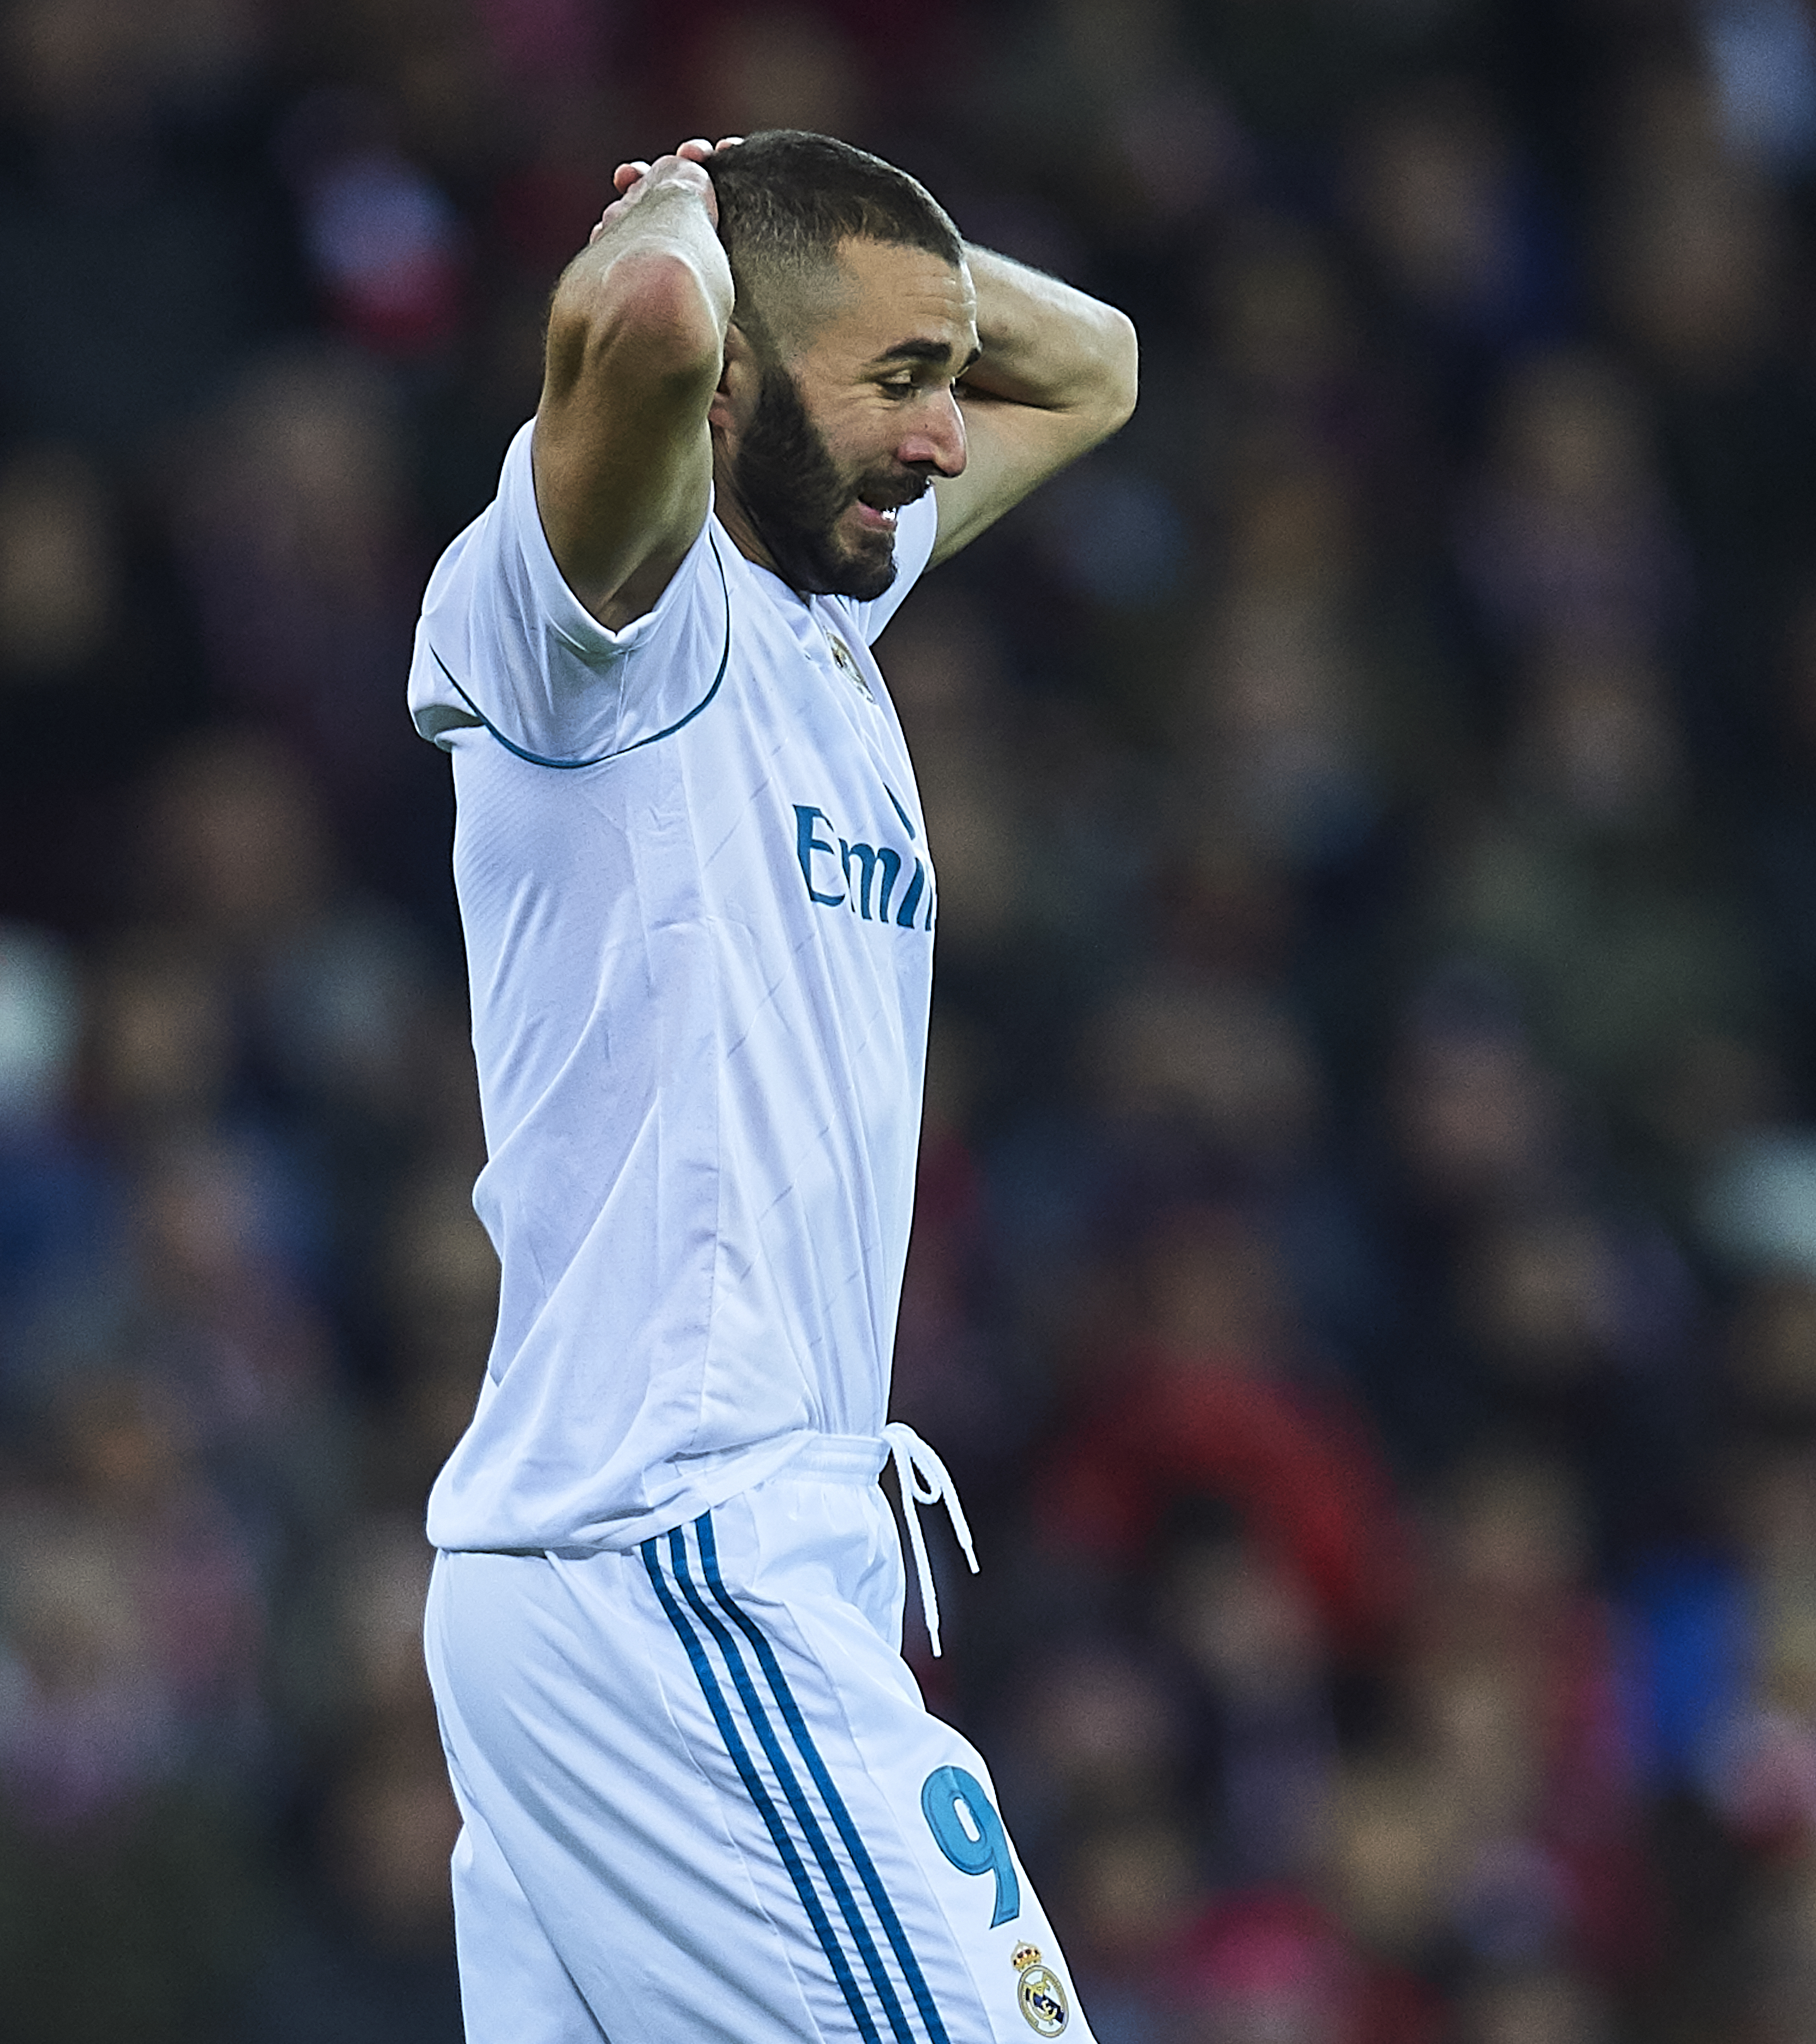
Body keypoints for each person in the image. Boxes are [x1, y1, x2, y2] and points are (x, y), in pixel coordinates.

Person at [404, 129, 1136, 2042]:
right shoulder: (592, 631)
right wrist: (682, 207)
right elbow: (642, 315)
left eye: (940, 372)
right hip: (679, 1558)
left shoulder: (826, 615)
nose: (951, 431)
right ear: (737, 380)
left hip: (615, 1567)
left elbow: (1099, 367)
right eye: (899, 382)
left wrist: (876, 268)